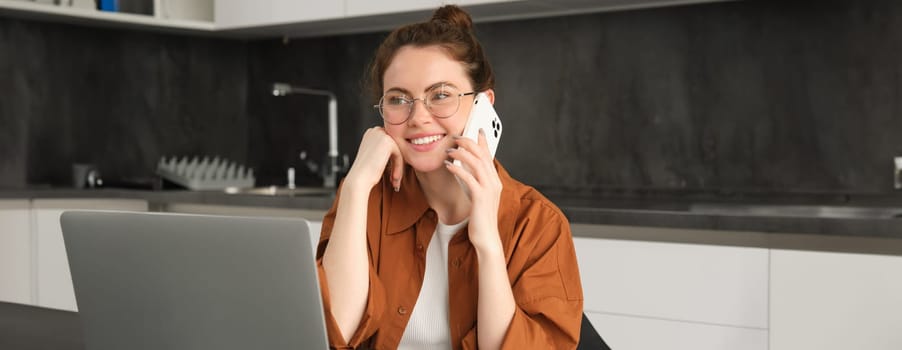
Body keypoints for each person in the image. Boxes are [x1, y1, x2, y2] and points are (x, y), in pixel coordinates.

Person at [316, 5, 583, 349]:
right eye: (398, 99)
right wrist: (354, 186)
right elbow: (328, 334)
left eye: (440, 95)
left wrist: (486, 240)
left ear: (483, 105)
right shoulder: (366, 200)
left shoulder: (538, 224)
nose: (418, 117)